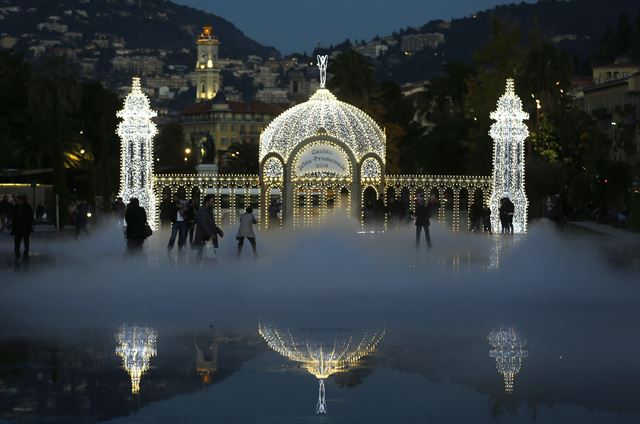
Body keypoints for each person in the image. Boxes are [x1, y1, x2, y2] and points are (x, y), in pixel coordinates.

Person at [193, 194, 223, 260]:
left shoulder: (209, 210)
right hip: (204, 237)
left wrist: (218, 230)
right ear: (207, 202)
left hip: (207, 237)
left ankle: (197, 268)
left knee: (205, 254)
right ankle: (197, 268)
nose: (213, 203)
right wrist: (211, 233)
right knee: (207, 255)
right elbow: (203, 224)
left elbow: (211, 224)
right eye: (212, 202)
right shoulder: (202, 211)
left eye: (214, 202)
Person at [11, 196, 33, 260]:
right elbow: (14, 216)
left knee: (25, 240)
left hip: (24, 226)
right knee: (17, 240)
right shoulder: (16, 207)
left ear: (22, 200)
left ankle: (25, 251)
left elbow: (30, 216)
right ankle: (17, 251)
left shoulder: (27, 207)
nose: (17, 201)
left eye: (18, 200)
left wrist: (30, 223)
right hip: (18, 226)